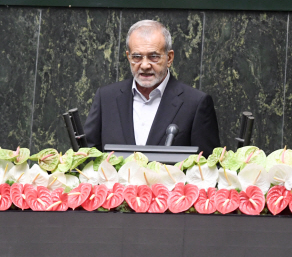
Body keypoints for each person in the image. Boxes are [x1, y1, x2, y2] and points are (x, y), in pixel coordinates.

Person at [84, 20, 220, 155]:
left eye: (153, 57)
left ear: (169, 58)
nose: (144, 65)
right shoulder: (106, 98)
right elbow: (88, 156)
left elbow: (207, 167)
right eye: (137, 57)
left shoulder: (195, 103)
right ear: (128, 57)